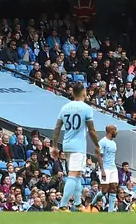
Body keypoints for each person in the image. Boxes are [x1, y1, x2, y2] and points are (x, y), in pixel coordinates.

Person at [52, 83, 100, 211]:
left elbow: (57, 128)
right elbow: (91, 130)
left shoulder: (65, 107)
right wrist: (97, 145)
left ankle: (78, 203)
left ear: (72, 93)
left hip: (67, 144)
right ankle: (62, 206)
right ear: (84, 92)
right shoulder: (86, 108)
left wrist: (54, 146)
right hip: (78, 146)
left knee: (77, 174)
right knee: (73, 174)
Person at [95, 124, 119, 211]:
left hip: (113, 168)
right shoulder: (102, 142)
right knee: (105, 190)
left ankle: (110, 211)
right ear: (110, 131)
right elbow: (99, 156)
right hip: (105, 168)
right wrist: (102, 170)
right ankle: (93, 203)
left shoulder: (114, 143)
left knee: (113, 188)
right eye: (115, 130)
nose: (117, 132)